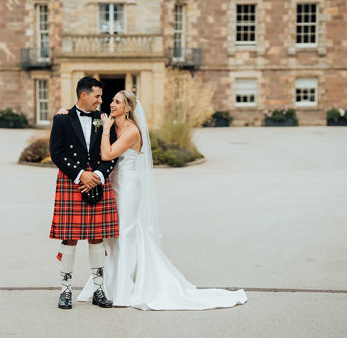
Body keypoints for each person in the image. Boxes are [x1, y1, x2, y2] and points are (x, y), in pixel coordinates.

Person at [60, 90, 247, 310]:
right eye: (112, 100)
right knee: (111, 235)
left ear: (128, 108)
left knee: (126, 232)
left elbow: (107, 155)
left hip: (128, 185)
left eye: (117, 102)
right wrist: (64, 113)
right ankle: (106, 285)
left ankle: (123, 288)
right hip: (112, 185)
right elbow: (83, 120)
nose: (111, 104)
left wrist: (106, 130)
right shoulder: (109, 123)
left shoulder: (131, 131)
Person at [48, 77, 120, 310]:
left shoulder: (104, 120)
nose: (101, 100)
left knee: (96, 236)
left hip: (97, 178)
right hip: (73, 180)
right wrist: (81, 175)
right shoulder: (62, 119)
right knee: (69, 236)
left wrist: (98, 175)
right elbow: (56, 153)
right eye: (97, 96)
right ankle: (65, 291)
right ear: (83, 95)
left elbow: (112, 153)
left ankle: (99, 290)